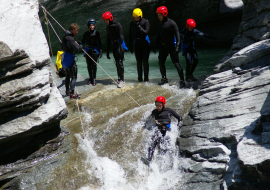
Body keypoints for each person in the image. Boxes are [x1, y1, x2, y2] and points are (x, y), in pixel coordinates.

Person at [142, 96, 182, 164]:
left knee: (158, 135)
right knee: (153, 138)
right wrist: (144, 124)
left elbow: (179, 118)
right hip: (159, 129)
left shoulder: (169, 111)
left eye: (160, 105)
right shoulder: (154, 112)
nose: (158, 107)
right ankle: (149, 158)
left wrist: (179, 127)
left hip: (166, 129)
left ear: (163, 104)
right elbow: (148, 119)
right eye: (157, 105)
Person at [154, 6, 185, 88]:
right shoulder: (160, 23)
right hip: (163, 46)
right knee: (161, 62)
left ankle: (182, 80)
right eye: (158, 15)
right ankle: (164, 79)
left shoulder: (171, 23)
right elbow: (159, 35)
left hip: (171, 46)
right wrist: (155, 44)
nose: (158, 17)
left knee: (176, 63)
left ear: (164, 14)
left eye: (160, 15)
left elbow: (177, 35)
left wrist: (177, 46)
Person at [102, 12, 128, 85]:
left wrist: (120, 45)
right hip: (114, 45)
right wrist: (107, 51)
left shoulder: (117, 25)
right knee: (116, 63)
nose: (106, 22)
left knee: (120, 62)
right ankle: (119, 78)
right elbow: (108, 39)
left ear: (110, 18)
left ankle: (122, 80)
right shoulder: (107, 27)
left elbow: (121, 35)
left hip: (120, 44)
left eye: (107, 20)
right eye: (105, 20)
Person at [61, 23, 83, 99]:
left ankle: (67, 91)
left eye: (77, 30)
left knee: (67, 75)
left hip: (64, 59)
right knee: (74, 76)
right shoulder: (70, 38)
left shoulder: (65, 37)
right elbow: (77, 49)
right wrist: (81, 45)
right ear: (71, 30)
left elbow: (61, 47)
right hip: (69, 59)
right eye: (75, 31)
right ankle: (72, 94)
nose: (77, 32)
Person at [129, 8, 150, 82]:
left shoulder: (145, 22)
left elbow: (146, 32)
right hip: (137, 43)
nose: (136, 19)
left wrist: (139, 27)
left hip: (145, 43)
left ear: (140, 16)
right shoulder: (132, 23)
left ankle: (146, 79)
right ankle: (139, 79)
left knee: (145, 61)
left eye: (137, 17)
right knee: (138, 62)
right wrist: (130, 45)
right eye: (135, 17)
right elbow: (130, 35)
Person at [82, 18, 102, 86]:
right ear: (88, 26)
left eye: (93, 25)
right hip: (87, 49)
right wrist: (78, 44)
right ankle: (90, 78)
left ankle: (94, 78)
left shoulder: (97, 33)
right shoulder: (86, 33)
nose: (92, 26)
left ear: (95, 25)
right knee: (89, 65)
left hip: (95, 50)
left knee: (94, 65)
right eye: (90, 25)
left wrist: (100, 51)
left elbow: (99, 43)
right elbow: (82, 42)